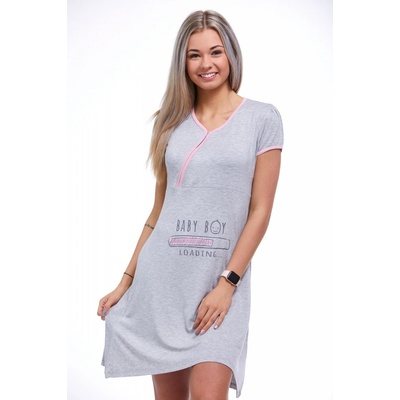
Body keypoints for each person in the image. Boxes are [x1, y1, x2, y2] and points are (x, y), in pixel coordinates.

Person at [97, 9, 283, 399]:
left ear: (231, 54)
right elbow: (157, 214)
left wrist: (227, 284)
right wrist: (125, 282)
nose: (205, 64)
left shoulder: (262, 118)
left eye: (215, 52)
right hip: (162, 284)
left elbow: (260, 211)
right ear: (182, 62)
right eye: (194, 55)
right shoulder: (170, 123)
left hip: (220, 283)